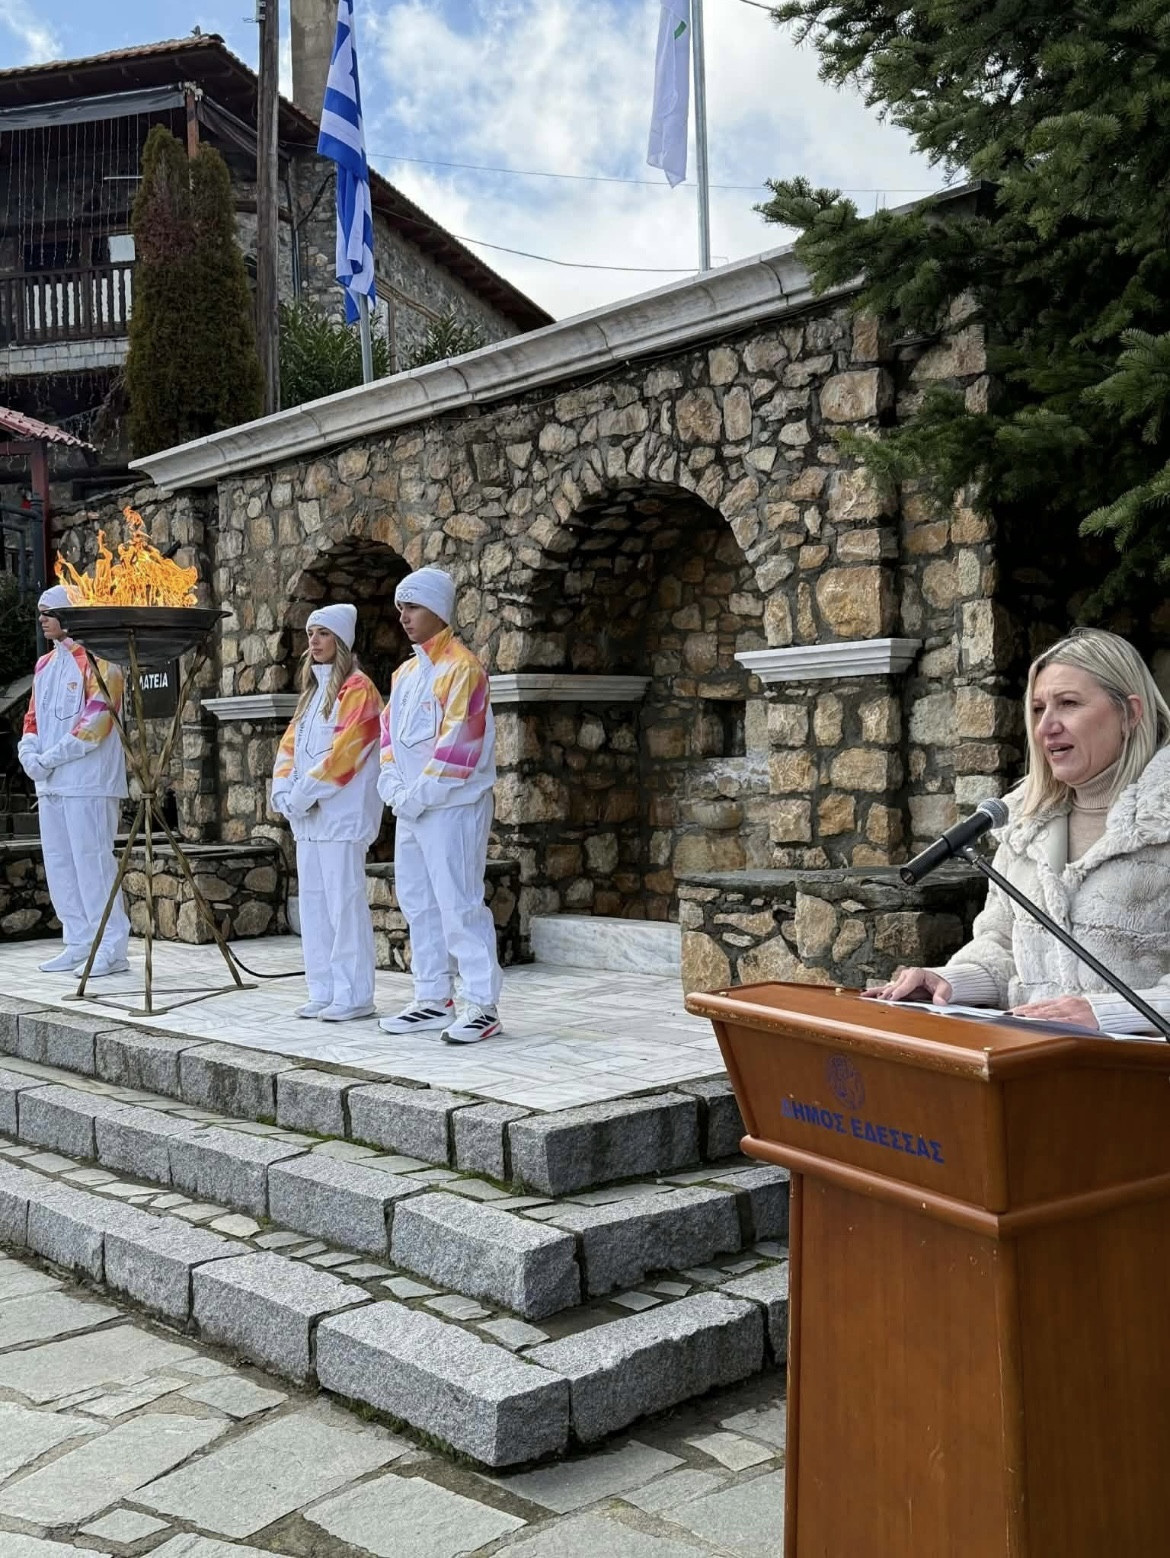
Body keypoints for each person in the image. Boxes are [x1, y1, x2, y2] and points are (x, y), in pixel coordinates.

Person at [867, 628, 1170, 1035]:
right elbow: (1003, 945)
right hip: (1033, 1073)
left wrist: (1109, 1013)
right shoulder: (1023, 826)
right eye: (1039, 708)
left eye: (1068, 704)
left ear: (1131, 713)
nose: (1046, 726)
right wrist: (951, 981)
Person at [377, 566, 502, 1045]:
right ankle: (431, 997)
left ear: (438, 610)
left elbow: (461, 748)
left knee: (458, 903)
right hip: (412, 810)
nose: (404, 616)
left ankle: (481, 1004)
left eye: (413, 606)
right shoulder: (405, 673)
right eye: (401, 608)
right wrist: (393, 787)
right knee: (418, 903)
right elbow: (387, 738)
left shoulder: (464, 668)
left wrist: (416, 795)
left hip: (451, 808)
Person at [271, 604, 383, 1021]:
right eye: (311, 633)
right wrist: (283, 790)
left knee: (344, 905)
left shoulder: (359, 690)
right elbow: (288, 748)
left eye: (322, 633)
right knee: (315, 906)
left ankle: (354, 995)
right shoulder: (312, 695)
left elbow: (346, 754)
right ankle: (323, 988)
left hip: (342, 818)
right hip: (309, 822)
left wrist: (302, 794)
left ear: (341, 640)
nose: (314, 641)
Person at [18, 583, 131, 976]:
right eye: (41, 613)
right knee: (61, 864)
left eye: (50, 612)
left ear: (70, 614)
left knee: (93, 863)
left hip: (89, 780)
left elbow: (98, 720)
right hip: (51, 782)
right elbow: (31, 718)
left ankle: (112, 947)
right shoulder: (45, 666)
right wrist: (28, 752)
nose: (43, 619)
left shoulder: (102, 660)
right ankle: (79, 940)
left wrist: (50, 757)